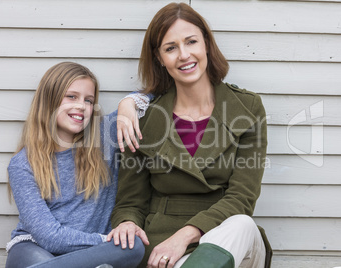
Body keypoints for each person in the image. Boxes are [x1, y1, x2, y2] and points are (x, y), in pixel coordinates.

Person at [108, 3, 272, 268]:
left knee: (242, 224)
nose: (184, 55)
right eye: (170, 48)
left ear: (206, 43)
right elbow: (130, 202)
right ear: (160, 58)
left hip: (228, 237)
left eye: (191, 42)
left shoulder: (248, 108)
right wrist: (127, 222)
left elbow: (243, 197)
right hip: (162, 246)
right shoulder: (142, 118)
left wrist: (185, 235)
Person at [5, 62, 147, 268]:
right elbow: (49, 236)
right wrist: (104, 241)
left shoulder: (105, 136)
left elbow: (154, 93)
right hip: (34, 249)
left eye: (89, 100)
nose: (81, 106)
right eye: (71, 96)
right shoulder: (23, 164)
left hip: (92, 254)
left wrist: (128, 103)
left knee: (133, 245)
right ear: (49, 100)